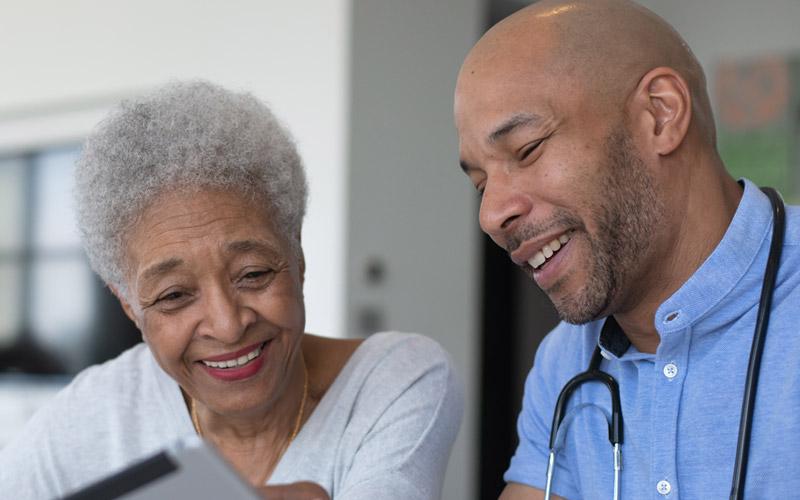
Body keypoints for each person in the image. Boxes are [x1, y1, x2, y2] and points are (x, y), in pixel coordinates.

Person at [0, 81, 462, 500]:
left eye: (254, 273)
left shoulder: (394, 379)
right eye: (175, 295)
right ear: (127, 305)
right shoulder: (90, 415)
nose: (227, 324)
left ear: (297, 258)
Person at [454, 0, 800, 498]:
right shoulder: (565, 359)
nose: (491, 216)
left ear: (660, 115)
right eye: (481, 183)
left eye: (527, 149)